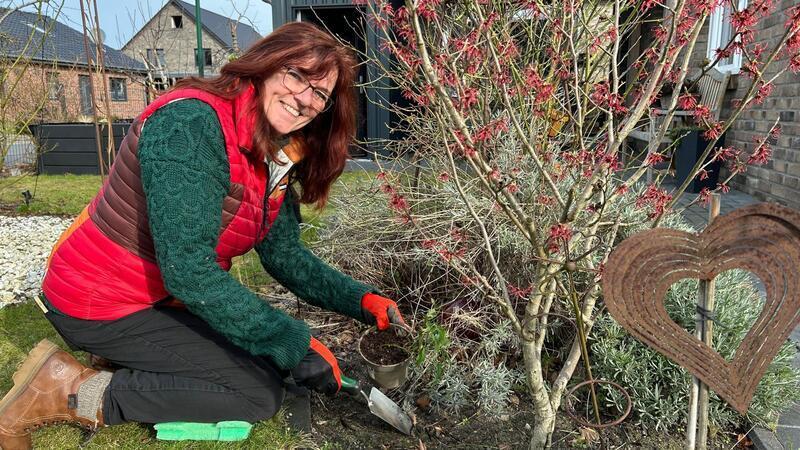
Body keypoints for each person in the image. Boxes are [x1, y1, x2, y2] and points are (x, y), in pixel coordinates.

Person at [0, 22, 407, 449]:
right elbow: (189, 272)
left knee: (264, 365)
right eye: (296, 76)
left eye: (320, 95)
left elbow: (283, 255)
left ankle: (129, 363)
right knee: (255, 394)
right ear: (265, 67)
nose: (305, 98)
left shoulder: (276, 150)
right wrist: (293, 342)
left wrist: (361, 301)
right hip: (97, 300)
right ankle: (62, 392)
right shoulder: (191, 125)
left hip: (157, 297)